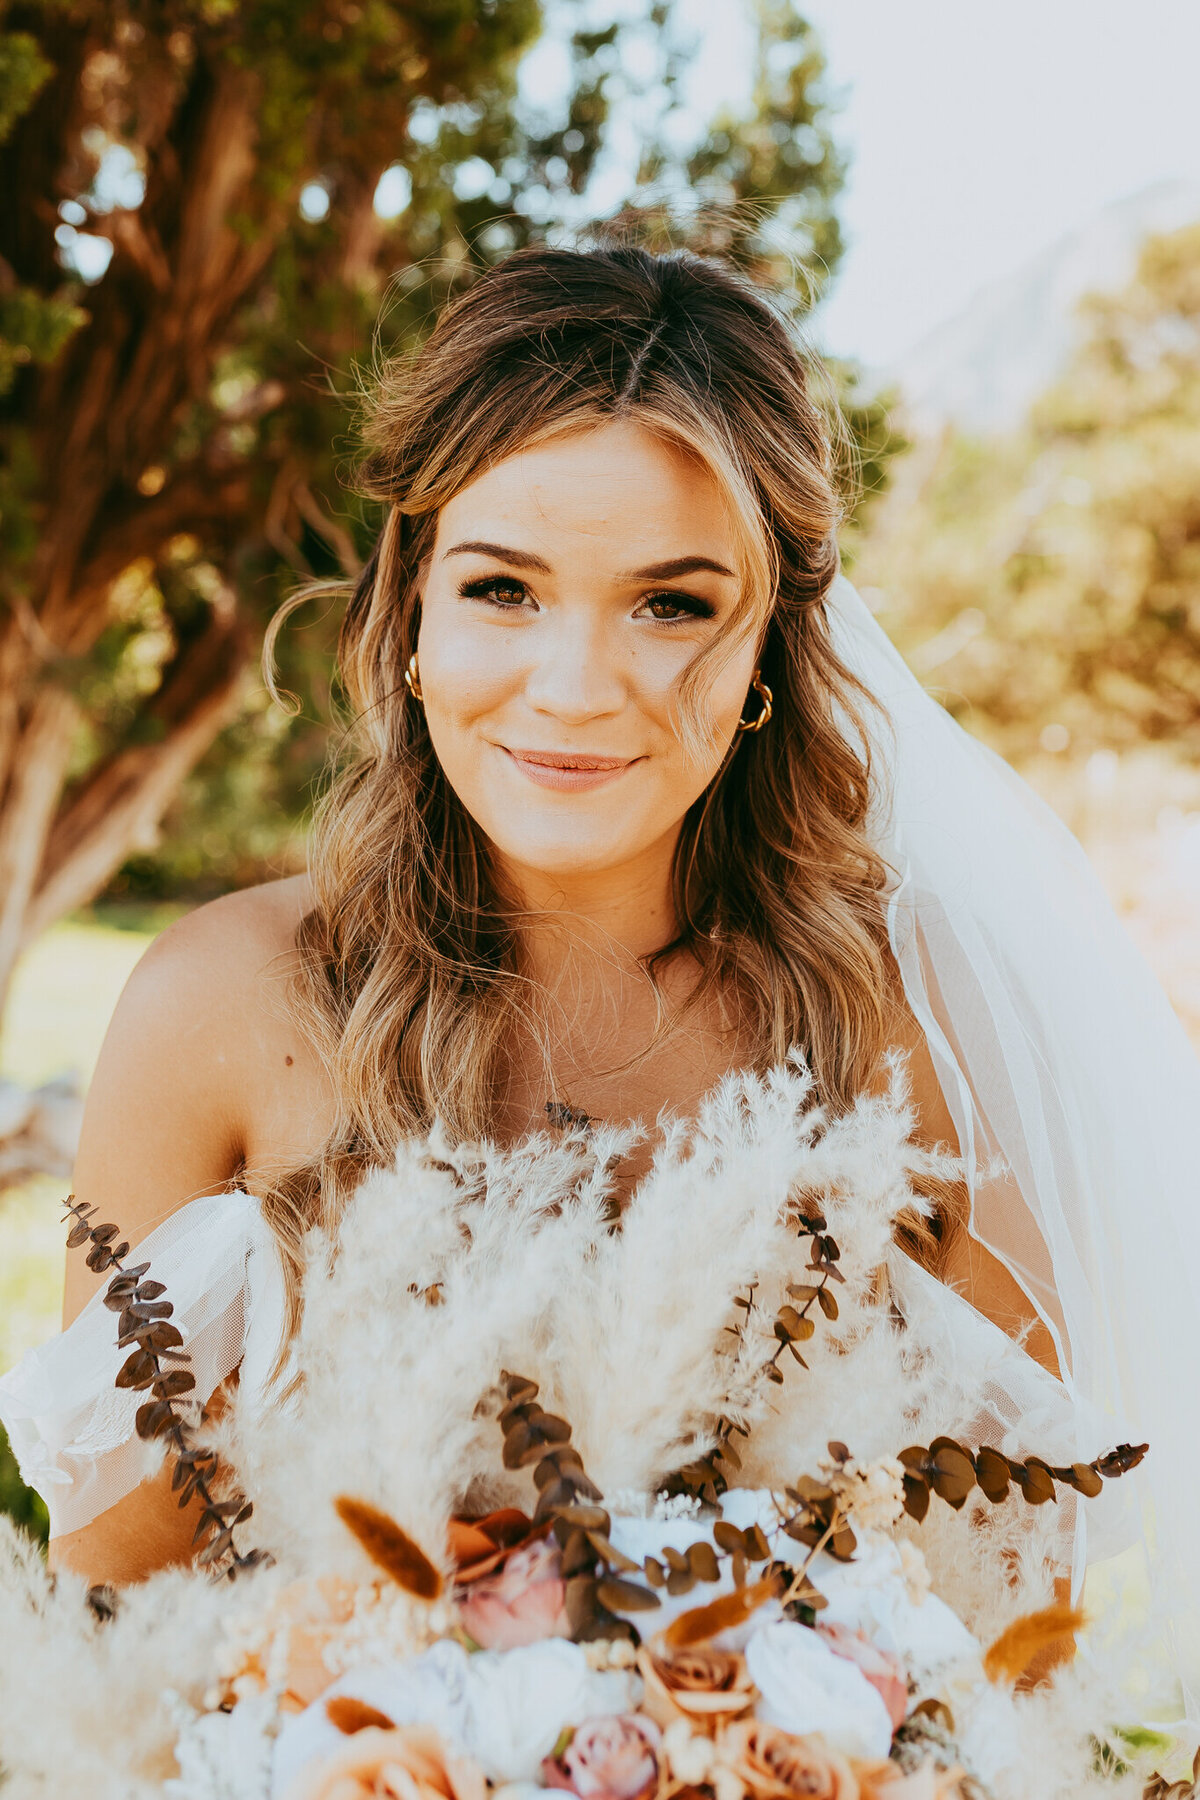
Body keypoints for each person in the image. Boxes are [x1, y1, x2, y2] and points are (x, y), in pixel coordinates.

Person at [2, 244, 1197, 1704]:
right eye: (504, 589)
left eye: (671, 604)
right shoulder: (222, 1007)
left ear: (771, 644)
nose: (574, 687)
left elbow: (1003, 1664)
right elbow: (116, 1650)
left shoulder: (922, 1033)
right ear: (411, 614)